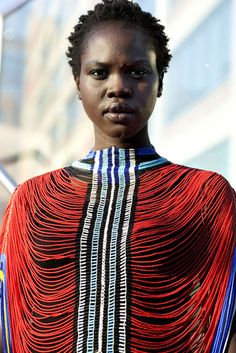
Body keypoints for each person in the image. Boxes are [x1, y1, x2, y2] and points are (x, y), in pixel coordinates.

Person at [0, 0, 236, 352]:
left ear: (160, 83)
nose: (118, 87)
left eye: (137, 72)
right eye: (99, 72)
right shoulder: (31, 200)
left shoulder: (204, 196)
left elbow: (229, 321)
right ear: (77, 84)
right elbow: (9, 318)